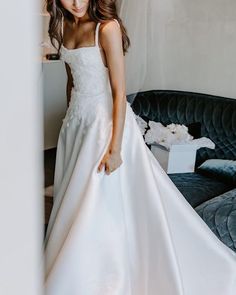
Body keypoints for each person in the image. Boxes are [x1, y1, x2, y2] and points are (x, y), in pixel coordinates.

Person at [44, 1, 236, 294]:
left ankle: (96, 272)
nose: (77, 2)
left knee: (98, 199)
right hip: (76, 125)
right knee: (73, 193)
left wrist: (116, 147)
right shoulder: (62, 26)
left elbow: (120, 93)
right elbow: (72, 81)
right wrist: (71, 119)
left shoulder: (107, 28)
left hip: (104, 126)